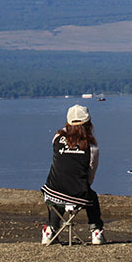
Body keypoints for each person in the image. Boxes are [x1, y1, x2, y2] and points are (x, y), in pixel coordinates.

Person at [41, 104, 104, 245]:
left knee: (57, 194)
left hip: (52, 191)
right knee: (91, 196)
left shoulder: (57, 138)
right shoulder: (92, 147)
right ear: (88, 123)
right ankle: (96, 231)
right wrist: (84, 186)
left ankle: (50, 230)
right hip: (78, 194)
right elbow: (91, 173)